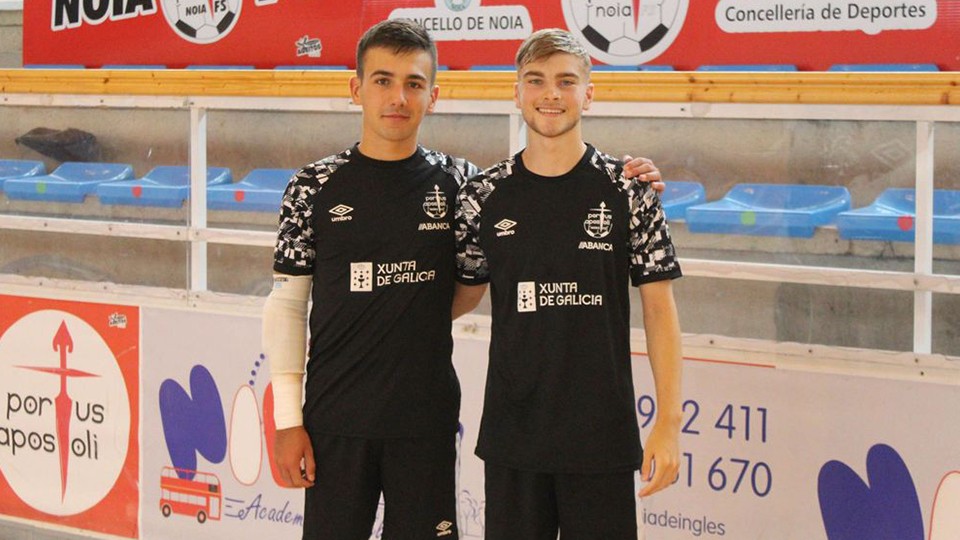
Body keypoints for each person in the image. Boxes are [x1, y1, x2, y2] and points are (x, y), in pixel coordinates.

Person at [262, 19, 665, 540]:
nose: (397, 98)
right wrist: (288, 417)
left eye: (414, 83)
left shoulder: (463, 186)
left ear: (434, 96)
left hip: (425, 421)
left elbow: (473, 277)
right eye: (383, 81)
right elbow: (287, 305)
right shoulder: (312, 185)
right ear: (356, 88)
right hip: (334, 420)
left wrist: (639, 175)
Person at [454, 28, 684, 539]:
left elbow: (660, 311)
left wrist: (669, 422)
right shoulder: (483, 196)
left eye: (565, 80)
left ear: (589, 92)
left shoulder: (631, 191)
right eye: (535, 80)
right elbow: (462, 294)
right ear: (516, 92)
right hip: (514, 439)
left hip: (600, 438)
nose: (550, 94)